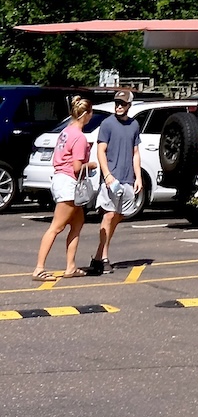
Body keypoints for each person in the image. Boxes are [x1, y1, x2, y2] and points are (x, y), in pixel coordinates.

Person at [33, 96, 95, 281]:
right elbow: (77, 167)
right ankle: (39, 268)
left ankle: (71, 267)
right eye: (91, 114)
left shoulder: (66, 132)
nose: (91, 117)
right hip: (68, 182)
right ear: (86, 114)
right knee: (56, 227)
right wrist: (91, 165)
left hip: (60, 179)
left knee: (77, 224)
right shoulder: (79, 137)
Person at [90, 87, 143, 272]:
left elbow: (135, 152)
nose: (118, 106)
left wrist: (138, 177)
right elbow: (100, 151)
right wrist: (107, 175)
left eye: (122, 103)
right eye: (117, 103)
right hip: (111, 178)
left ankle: (98, 257)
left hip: (127, 178)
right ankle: (103, 257)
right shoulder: (107, 124)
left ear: (129, 105)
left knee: (118, 216)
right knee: (109, 215)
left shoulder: (134, 125)